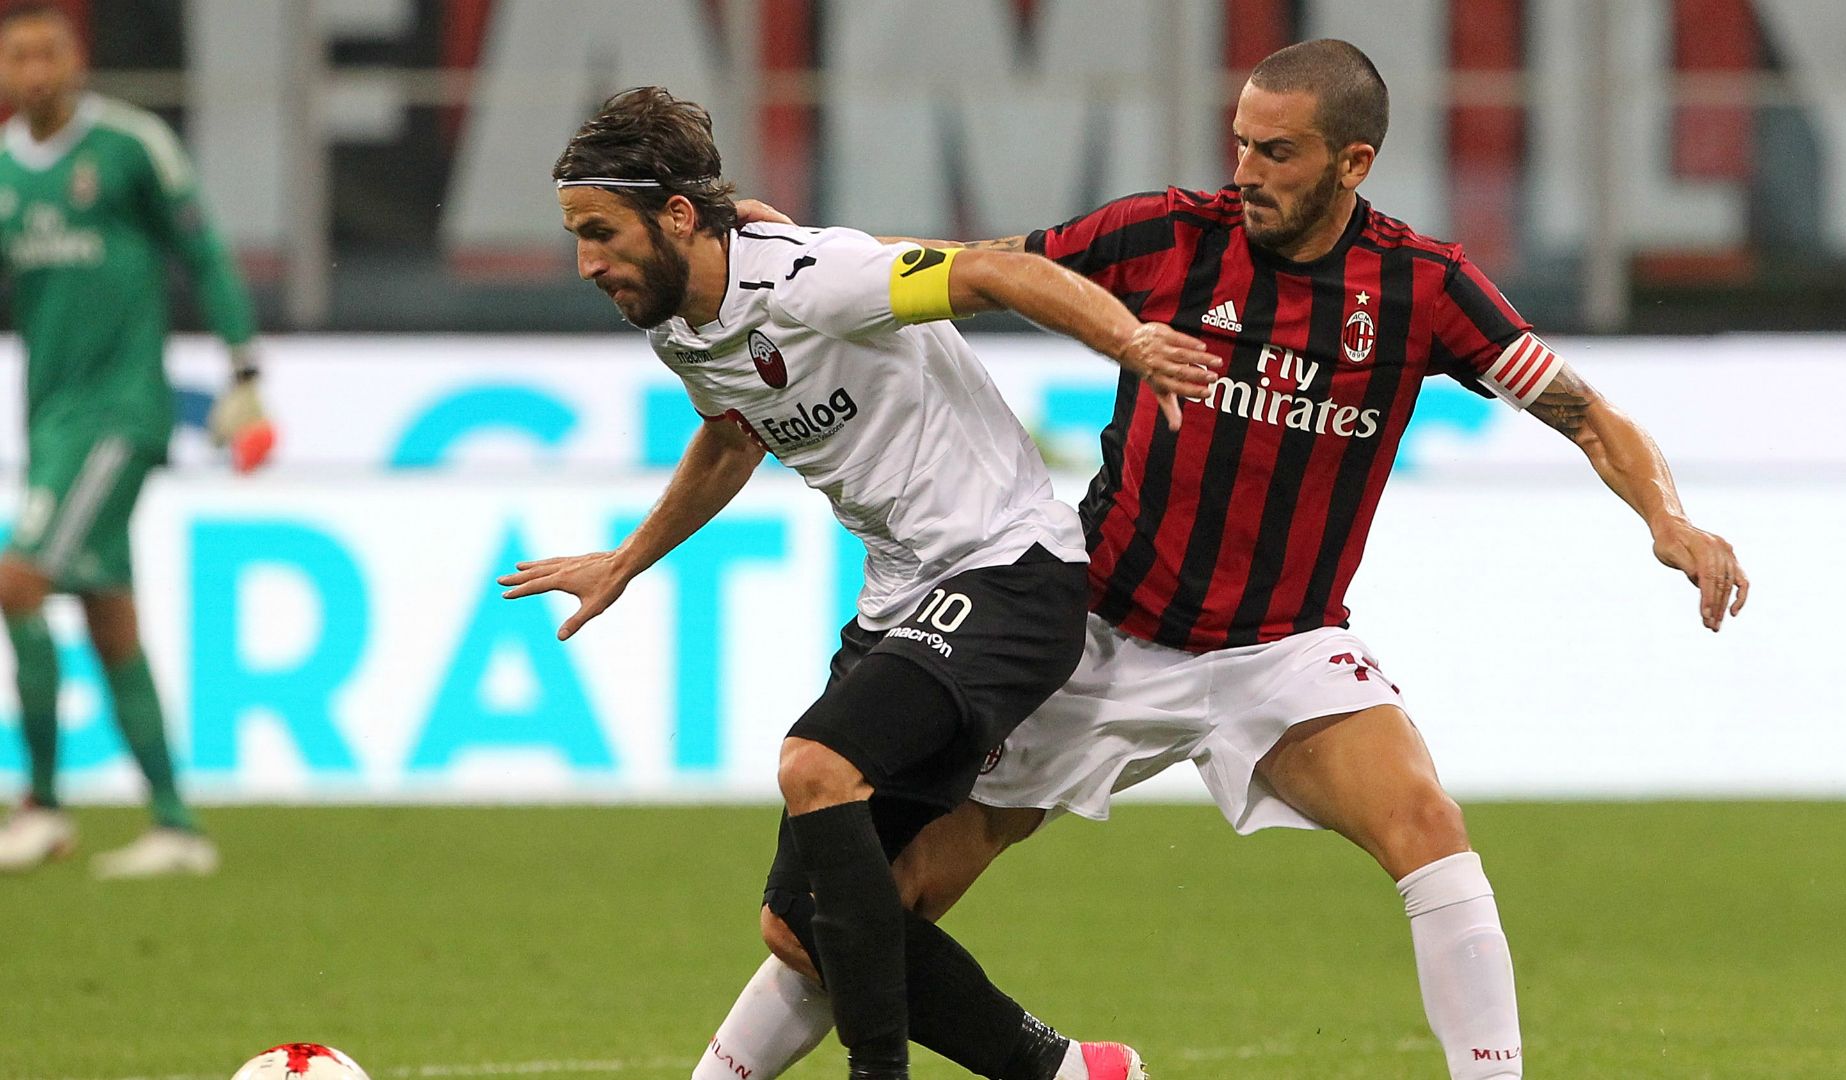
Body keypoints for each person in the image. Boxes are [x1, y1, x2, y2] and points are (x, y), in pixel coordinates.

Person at [702, 39, 1750, 1080]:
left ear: (1355, 163)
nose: (1245, 172)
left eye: (1278, 153)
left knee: (1426, 821)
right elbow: (989, 264)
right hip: (1095, 632)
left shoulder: (1421, 286)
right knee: (862, 907)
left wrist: (1671, 519)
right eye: (1241, 143)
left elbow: (1583, 410)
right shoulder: (1168, 234)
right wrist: (813, 252)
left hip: (1280, 649)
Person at [498, 87, 1218, 1080]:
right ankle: (1066, 1073)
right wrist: (627, 559)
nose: (586, 262)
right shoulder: (677, 325)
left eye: (599, 231)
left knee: (813, 766)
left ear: (675, 215)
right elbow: (732, 432)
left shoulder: (817, 280)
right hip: (903, 603)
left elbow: (997, 272)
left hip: (1009, 573)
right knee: (800, 927)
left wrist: (1128, 339)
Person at [0, 0, 263, 878]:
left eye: (47, 54)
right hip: (50, 419)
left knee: (18, 578)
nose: (34, 72)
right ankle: (176, 823)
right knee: (107, 614)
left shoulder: (128, 146)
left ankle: (39, 807)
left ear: (74, 61)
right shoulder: (3, 171)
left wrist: (244, 369)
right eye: (18, 59)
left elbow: (205, 252)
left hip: (119, 413)